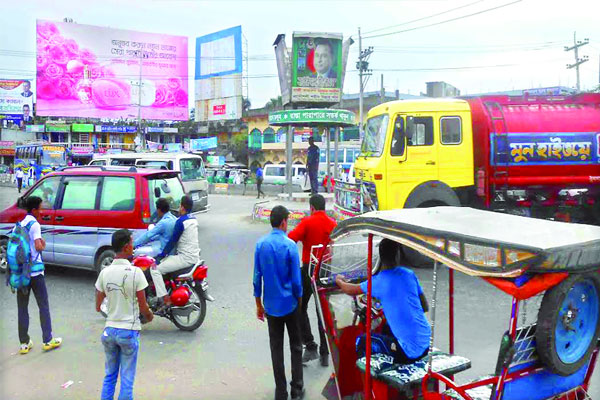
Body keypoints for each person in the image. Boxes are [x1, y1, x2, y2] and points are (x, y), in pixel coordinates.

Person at [335, 239, 431, 364]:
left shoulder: (378, 281)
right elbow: (424, 307)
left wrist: (339, 280)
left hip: (408, 352)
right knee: (386, 328)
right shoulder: (408, 274)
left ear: (380, 256)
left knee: (361, 341)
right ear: (398, 255)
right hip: (426, 342)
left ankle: (368, 381)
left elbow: (349, 289)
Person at [95, 229, 154, 400]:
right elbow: (143, 308)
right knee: (127, 380)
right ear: (127, 247)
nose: (133, 245)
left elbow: (98, 306)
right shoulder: (136, 273)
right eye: (132, 242)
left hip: (109, 332)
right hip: (128, 331)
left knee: (109, 377)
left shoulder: (104, 273)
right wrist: (149, 316)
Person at [254, 205, 304, 400]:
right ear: (284, 222)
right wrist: (299, 302)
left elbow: (257, 278)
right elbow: (297, 281)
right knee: (296, 346)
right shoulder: (290, 245)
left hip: (271, 306)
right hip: (290, 304)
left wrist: (259, 305)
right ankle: (297, 390)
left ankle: (280, 392)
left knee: (276, 348)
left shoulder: (261, 245)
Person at [288, 194, 336, 367]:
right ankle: (325, 352)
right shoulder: (332, 223)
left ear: (312, 207)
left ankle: (310, 344)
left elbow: (291, 239)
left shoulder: (307, 222)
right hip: (326, 270)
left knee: (299, 306)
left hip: (309, 269)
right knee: (322, 311)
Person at [16, 196, 62, 354]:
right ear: (34, 209)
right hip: (35, 272)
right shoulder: (34, 224)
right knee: (43, 305)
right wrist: (42, 243)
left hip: (21, 272)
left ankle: (24, 343)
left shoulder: (21, 223)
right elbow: (38, 245)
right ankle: (47, 340)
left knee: (22, 307)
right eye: (40, 208)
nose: (42, 211)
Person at [151, 195, 200, 306]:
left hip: (184, 258)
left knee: (155, 269)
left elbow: (172, 241)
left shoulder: (180, 222)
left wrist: (161, 255)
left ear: (182, 207)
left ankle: (164, 298)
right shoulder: (193, 219)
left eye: (179, 206)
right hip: (195, 256)